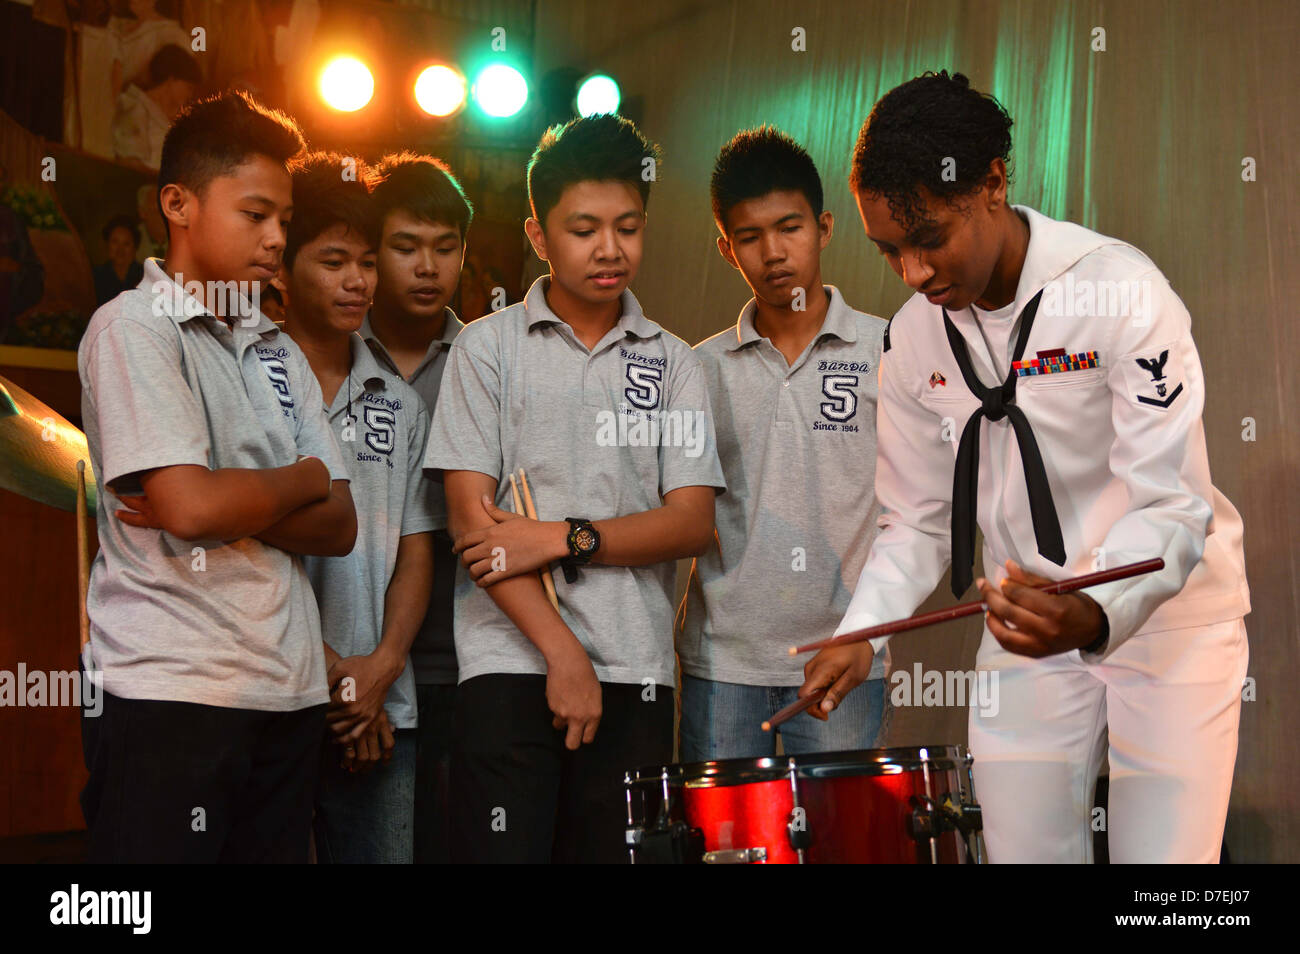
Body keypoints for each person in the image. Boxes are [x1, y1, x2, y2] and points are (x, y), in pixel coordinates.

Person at [800, 70, 1250, 863]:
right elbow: (915, 520)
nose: (911, 273)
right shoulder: (912, 342)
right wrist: (862, 633)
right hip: (1025, 624)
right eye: (888, 251)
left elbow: (1174, 502)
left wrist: (1098, 609)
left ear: (993, 185)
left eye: (929, 238)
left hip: (1169, 618)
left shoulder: (1120, 293)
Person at [425, 113, 726, 863]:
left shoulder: (676, 362)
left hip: (639, 673)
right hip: (509, 666)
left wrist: (562, 537)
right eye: (584, 228)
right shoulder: (485, 347)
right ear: (537, 235)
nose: (610, 249)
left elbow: (689, 522)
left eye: (628, 226)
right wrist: (562, 653)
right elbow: (472, 523)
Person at [77, 89, 357, 863]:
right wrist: (296, 479)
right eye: (254, 214)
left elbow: (341, 524)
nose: (275, 238)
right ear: (178, 203)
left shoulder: (278, 347)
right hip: (168, 690)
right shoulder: (133, 328)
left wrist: (216, 495)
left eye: (283, 220)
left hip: (288, 688)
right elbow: (192, 511)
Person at [678, 126, 890, 760]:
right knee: (726, 854)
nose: (773, 252)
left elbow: (920, 516)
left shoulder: (891, 351)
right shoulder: (698, 369)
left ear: (824, 227)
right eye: (750, 236)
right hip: (723, 665)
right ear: (726, 249)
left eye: (789, 227)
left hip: (845, 660)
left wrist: (869, 636)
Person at [279, 152, 436, 864]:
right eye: (333, 260)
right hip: (275, 693)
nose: (357, 281)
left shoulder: (398, 402)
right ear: (283, 265)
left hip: (381, 707)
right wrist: (333, 672)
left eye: (367, 262)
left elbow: (415, 550)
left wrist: (379, 668)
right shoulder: (255, 386)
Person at [362, 151, 474, 863]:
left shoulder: (484, 360)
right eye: (406, 248)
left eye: (444, 248)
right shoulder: (331, 356)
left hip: (462, 664)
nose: (427, 267)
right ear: (372, 252)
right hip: (342, 660)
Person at [112, 44, 202, 171]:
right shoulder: (134, 107)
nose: (190, 95)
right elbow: (129, 164)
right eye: (188, 88)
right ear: (172, 80)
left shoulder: (163, 117)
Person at [92, 214, 145, 306]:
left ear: (135, 247)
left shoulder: (145, 276)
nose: (120, 250)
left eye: (126, 244)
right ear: (107, 244)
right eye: (115, 242)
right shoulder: (96, 276)